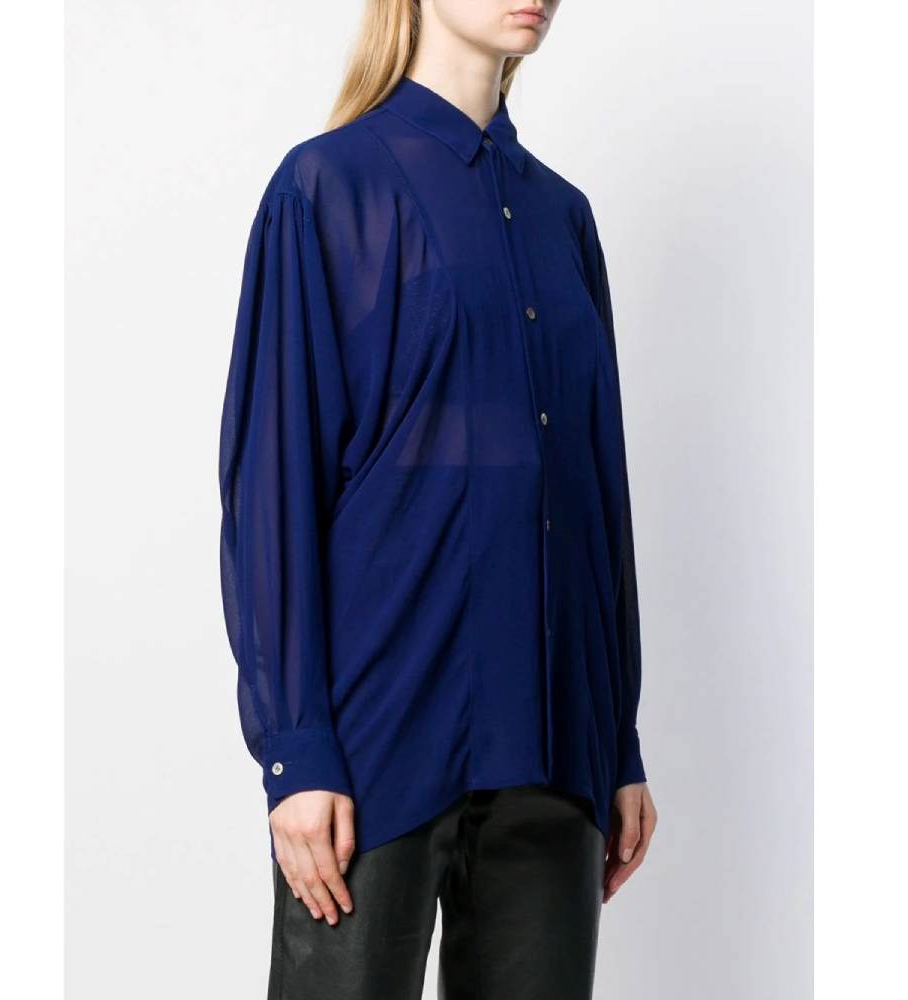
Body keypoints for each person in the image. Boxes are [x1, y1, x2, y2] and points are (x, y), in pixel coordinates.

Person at [217, 2, 658, 997]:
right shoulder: (328, 188)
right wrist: (296, 748)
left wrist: (618, 735)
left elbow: (597, 488)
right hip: (378, 744)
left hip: (554, 740)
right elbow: (272, 485)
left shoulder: (563, 216)